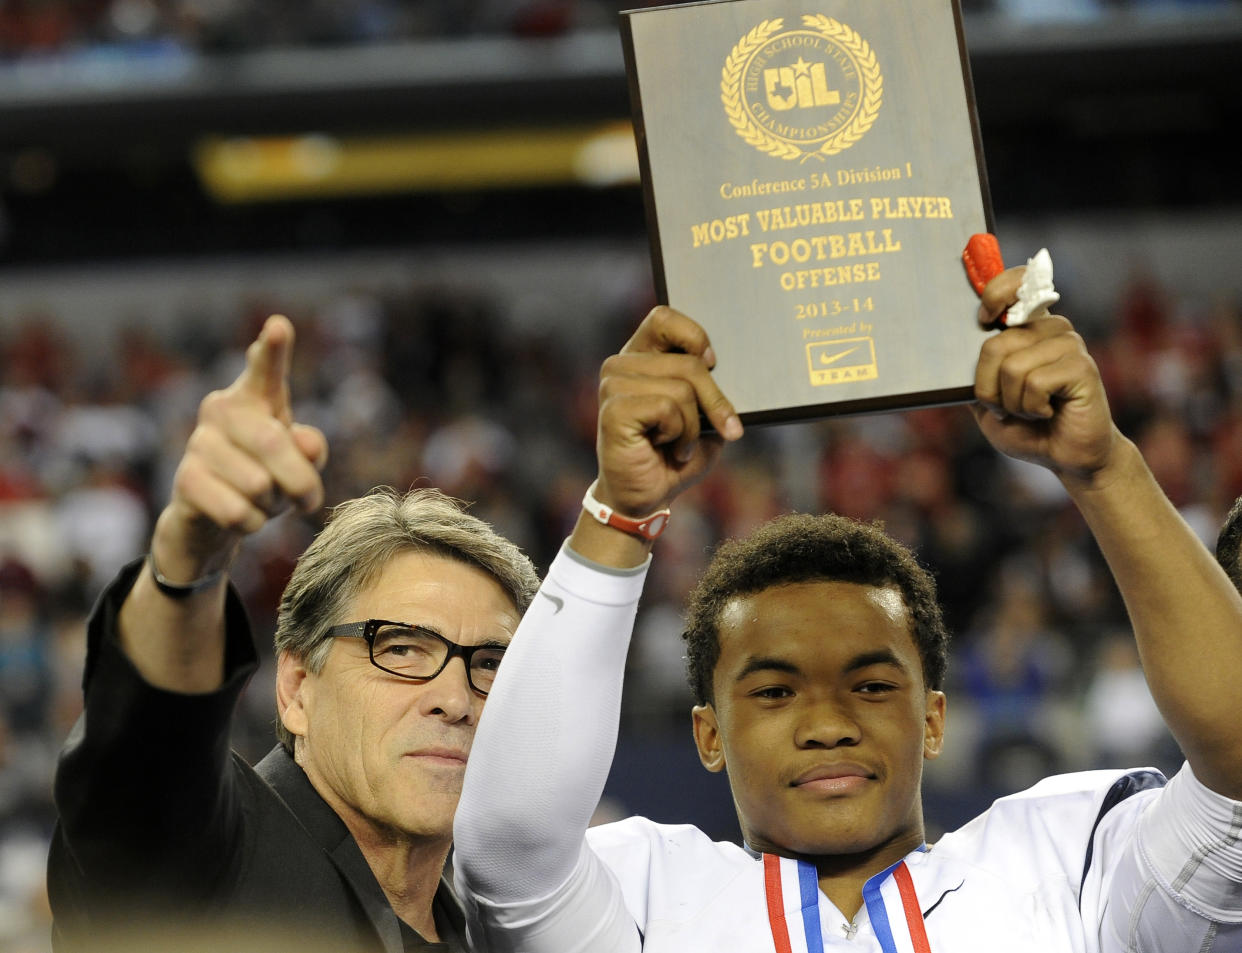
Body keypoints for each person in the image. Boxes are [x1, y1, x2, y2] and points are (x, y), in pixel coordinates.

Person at [451, 272, 1242, 951]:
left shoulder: (1071, 866)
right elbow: (506, 843)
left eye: (869, 685)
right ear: (708, 732)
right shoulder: (641, 897)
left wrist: (1103, 465)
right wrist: (620, 513)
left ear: (934, 716)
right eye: (774, 690)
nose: (828, 723)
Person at [47, 314, 540, 953]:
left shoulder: (496, 934)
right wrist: (190, 566)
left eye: (490, 663)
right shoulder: (209, 857)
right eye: (399, 648)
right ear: (296, 689)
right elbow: (143, 765)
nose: (456, 698)